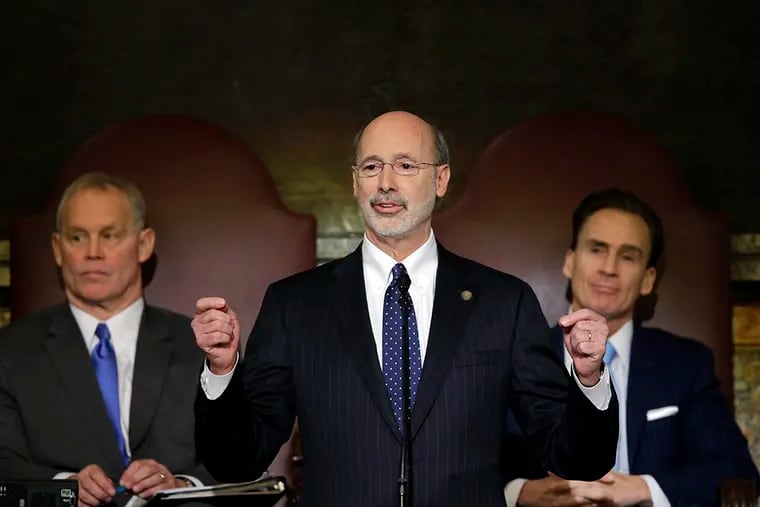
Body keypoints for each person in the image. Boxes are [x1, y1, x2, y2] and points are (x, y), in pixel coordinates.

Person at [192, 111, 618, 506]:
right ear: (355, 182)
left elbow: (574, 459)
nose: (386, 183)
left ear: (441, 180)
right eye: (371, 167)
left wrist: (589, 378)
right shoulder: (295, 305)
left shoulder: (504, 301)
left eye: (406, 166)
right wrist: (222, 371)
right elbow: (238, 461)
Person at [502, 188, 760, 506]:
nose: (609, 268)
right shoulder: (518, 356)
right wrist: (521, 492)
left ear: (648, 279)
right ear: (570, 262)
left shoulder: (686, 365)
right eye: (597, 249)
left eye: (628, 256)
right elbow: (468, 463)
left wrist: (641, 489)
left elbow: (735, 470)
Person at [0, 172, 211, 506]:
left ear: (144, 244)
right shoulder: (11, 352)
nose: (93, 252)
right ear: (57, 249)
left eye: (109, 236)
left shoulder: (199, 347)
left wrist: (181, 486)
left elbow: (243, 463)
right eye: (78, 237)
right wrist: (62, 489)